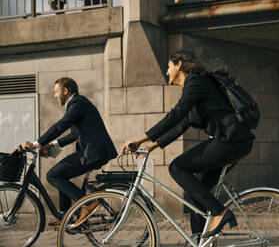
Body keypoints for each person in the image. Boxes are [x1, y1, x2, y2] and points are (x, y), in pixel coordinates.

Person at [122, 50, 254, 239]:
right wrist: (152, 146)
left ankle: (220, 213)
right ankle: (198, 239)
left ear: (179, 65)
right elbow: (183, 123)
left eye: (168, 66)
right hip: (234, 141)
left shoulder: (196, 82)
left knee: (177, 167)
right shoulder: (197, 86)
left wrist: (140, 138)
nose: (166, 71)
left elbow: (176, 114)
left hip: (230, 140)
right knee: (197, 195)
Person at [22, 77, 117, 227]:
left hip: (92, 152)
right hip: (94, 151)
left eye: (56, 91)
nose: (54, 95)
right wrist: (50, 144)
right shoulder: (79, 104)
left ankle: (88, 203)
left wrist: (36, 143)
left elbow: (61, 125)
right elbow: (74, 134)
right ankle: (67, 216)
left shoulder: (77, 103)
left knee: (53, 175)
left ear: (65, 91)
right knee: (61, 175)